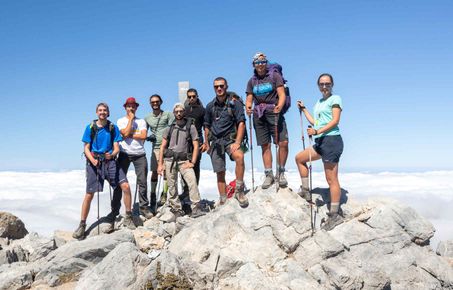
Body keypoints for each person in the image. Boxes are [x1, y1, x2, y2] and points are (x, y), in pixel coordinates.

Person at [73, 103, 136, 240]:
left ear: (108, 113)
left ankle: (128, 216)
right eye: (100, 110)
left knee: (125, 186)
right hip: (94, 162)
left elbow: (116, 147)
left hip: (110, 162)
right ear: (97, 112)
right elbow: (86, 148)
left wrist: (112, 154)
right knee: (89, 194)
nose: (102, 112)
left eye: (105, 110)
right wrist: (93, 160)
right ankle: (82, 224)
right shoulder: (90, 127)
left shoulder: (113, 128)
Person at [295, 73, 344, 231]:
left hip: (331, 141)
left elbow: (335, 121)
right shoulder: (319, 102)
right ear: (318, 85)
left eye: (327, 84)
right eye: (322, 84)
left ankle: (335, 215)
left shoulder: (335, 99)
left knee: (331, 180)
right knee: (299, 158)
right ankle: (305, 191)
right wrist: (304, 109)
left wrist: (317, 131)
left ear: (332, 85)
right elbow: (316, 122)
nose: (324, 86)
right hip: (321, 141)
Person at [245, 52, 289, 189]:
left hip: (274, 112)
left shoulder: (275, 76)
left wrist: (280, 106)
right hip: (259, 115)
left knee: (283, 142)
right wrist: (248, 108)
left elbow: (281, 94)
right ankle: (269, 174)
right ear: (253, 65)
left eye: (263, 61)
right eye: (257, 62)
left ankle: (281, 172)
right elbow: (249, 98)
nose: (260, 64)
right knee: (265, 145)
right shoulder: (251, 81)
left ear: (266, 63)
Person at [204, 77, 248, 208]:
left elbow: (241, 123)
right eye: (216, 86)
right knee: (220, 171)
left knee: (239, 157)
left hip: (230, 140)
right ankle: (223, 199)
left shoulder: (235, 103)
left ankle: (239, 191)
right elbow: (206, 125)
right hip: (216, 142)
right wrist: (206, 143)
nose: (219, 88)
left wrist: (238, 142)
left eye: (221, 86)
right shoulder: (210, 106)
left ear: (226, 86)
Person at [107, 97, 153, 222]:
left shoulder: (142, 121)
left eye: (133, 106)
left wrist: (129, 133)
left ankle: (144, 207)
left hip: (139, 154)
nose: (131, 108)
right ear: (125, 107)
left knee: (142, 181)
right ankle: (115, 210)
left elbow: (143, 135)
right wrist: (131, 121)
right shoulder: (120, 121)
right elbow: (123, 133)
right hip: (124, 153)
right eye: (129, 106)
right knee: (119, 183)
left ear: (136, 107)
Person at [157, 103, 205, 217]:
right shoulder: (169, 128)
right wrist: (160, 164)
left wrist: (192, 162)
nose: (179, 113)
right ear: (174, 113)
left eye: (181, 111)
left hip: (184, 161)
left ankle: (196, 207)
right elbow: (162, 147)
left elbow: (196, 145)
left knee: (192, 181)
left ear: (184, 112)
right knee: (172, 185)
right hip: (170, 160)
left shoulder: (191, 127)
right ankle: (176, 208)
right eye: (176, 111)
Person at [144, 94, 174, 212]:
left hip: (168, 147)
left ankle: (164, 194)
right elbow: (143, 131)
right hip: (155, 148)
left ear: (161, 102)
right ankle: (152, 195)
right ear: (150, 103)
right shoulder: (147, 118)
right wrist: (147, 137)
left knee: (167, 172)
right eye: (153, 102)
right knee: (155, 172)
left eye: (157, 101)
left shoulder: (168, 114)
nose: (155, 103)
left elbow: (173, 128)